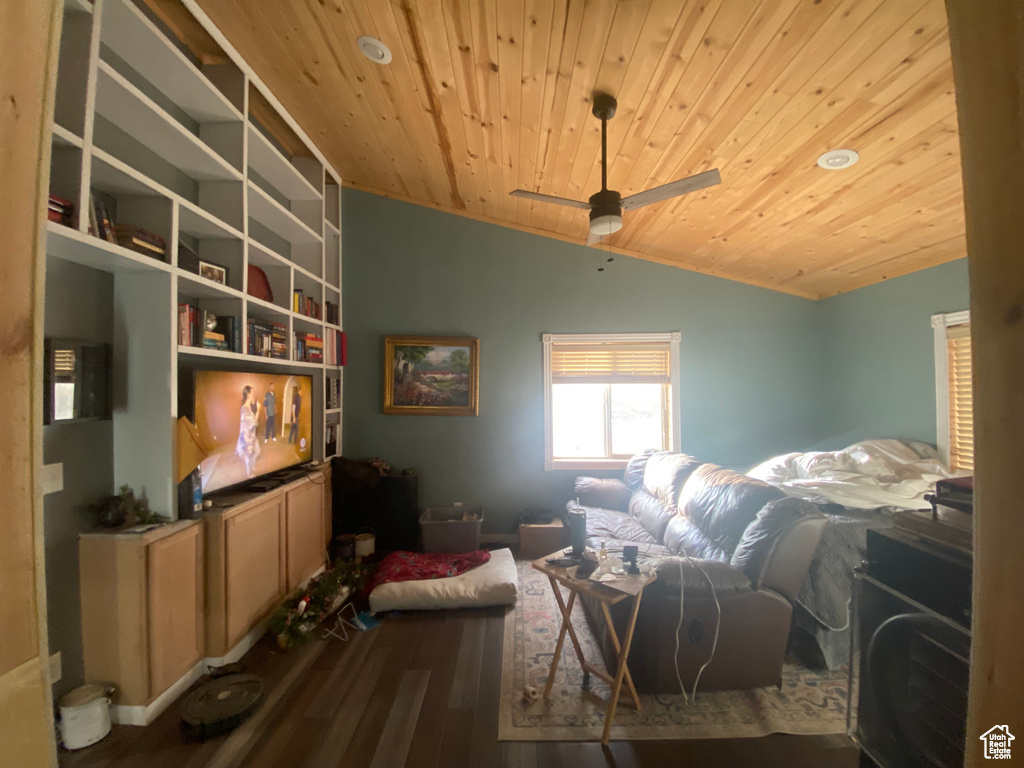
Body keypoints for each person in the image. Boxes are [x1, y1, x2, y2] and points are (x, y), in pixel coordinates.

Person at [236, 385, 261, 477]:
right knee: (248, 457)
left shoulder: (249, 406)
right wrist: (258, 410)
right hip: (247, 439)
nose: (254, 394)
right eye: (253, 392)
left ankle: (253, 465)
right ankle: (249, 473)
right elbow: (254, 423)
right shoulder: (245, 409)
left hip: (252, 436)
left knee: (257, 451)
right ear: (249, 395)